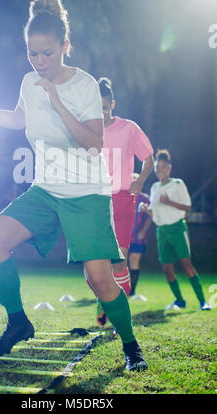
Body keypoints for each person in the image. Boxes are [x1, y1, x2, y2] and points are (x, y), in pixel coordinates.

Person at [0, 0, 148, 371]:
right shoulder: (28, 82)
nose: (39, 62)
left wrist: (58, 103)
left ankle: (131, 344)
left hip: (87, 193)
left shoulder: (85, 86)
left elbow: (94, 142)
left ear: (65, 46)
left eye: (47, 54)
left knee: (100, 280)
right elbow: (15, 120)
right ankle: (18, 322)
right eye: (32, 54)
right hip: (45, 190)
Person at [84, 77, 154, 326]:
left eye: (104, 107)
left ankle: (120, 318)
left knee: (119, 260)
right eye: (95, 108)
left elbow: (148, 158)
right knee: (90, 271)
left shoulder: (128, 128)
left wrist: (141, 180)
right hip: (94, 201)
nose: (100, 113)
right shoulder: (85, 130)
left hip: (123, 199)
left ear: (112, 104)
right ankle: (105, 299)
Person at [140, 149, 211, 311]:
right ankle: (179, 300)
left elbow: (188, 207)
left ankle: (202, 302)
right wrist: (146, 209)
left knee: (186, 264)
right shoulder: (154, 187)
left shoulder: (178, 184)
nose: (160, 170)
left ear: (170, 168)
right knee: (167, 268)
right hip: (161, 231)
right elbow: (155, 212)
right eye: (157, 167)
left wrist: (169, 202)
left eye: (163, 167)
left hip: (178, 228)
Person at [128, 180, 152, 300]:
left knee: (134, 261)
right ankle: (119, 288)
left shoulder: (144, 198)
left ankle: (132, 291)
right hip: (123, 235)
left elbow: (151, 215)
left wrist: (143, 231)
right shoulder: (124, 196)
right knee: (119, 262)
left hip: (137, 236)